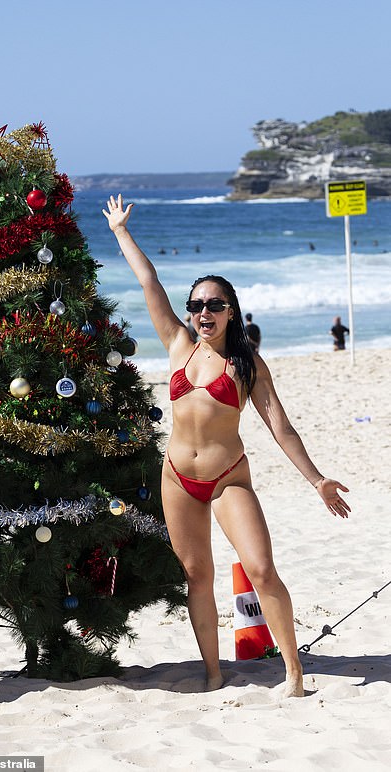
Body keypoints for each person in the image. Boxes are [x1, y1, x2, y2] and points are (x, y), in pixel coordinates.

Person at [103, 194, 350, 698]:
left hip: (227, 479)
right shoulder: (176, 343)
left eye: (214, 305)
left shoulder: (247, 364)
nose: (203, 312)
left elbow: (281, 426)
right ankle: (213, 673)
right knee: (197, 575)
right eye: (196, 305)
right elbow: (149, 282)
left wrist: (317, 479)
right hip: (176, 478)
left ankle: (293, 672)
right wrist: (121, 232)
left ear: (231, 312)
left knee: (260, 568)